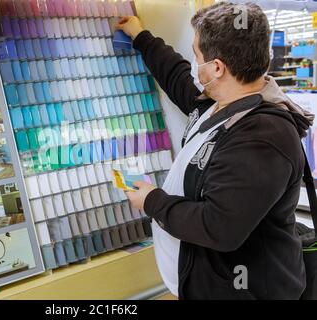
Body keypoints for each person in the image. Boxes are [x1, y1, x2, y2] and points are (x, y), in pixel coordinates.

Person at [116, 1, 314, 299]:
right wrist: (140, 35)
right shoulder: (218, 104)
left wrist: (151, 200)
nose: (195, 65)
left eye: (197, 55)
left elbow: (218, 226)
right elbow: (178, 76)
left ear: (217, 68)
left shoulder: (263, 136)